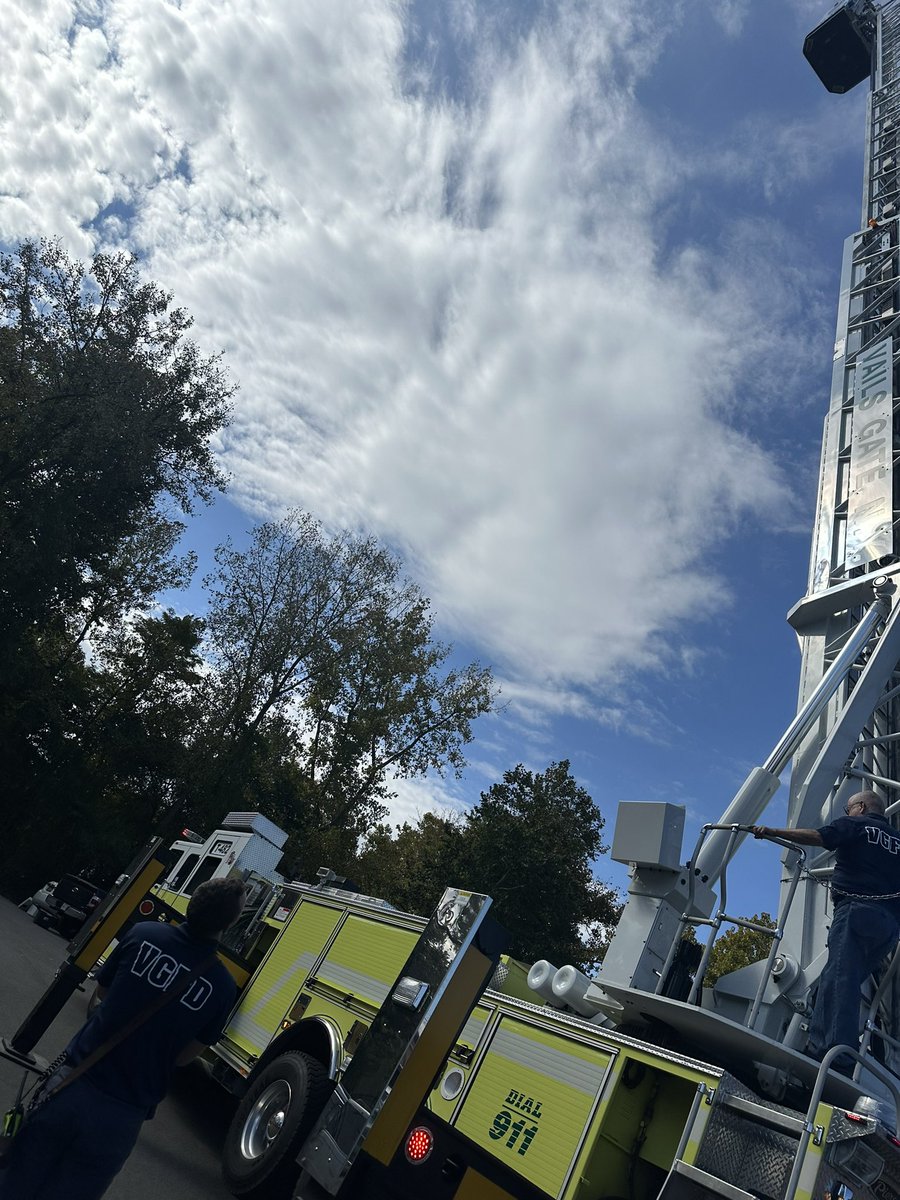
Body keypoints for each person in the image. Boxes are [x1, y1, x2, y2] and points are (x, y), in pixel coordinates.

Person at [0, 876, 245, 1200]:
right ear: (231, 922)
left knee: (17, 1178)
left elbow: (102, 992)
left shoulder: (144, 934)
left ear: (193, 902)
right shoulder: (222, 987)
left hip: (72, 1082)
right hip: (122, 1117)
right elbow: (186, 1056)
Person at [753, 790, 900, 1074]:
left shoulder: (856, 825)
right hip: (887, 928)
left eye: (848, 809)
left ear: (860, 806)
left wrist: (771, 830)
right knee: (847, 980)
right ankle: (828, 1043)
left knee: (839, 981)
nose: (847, 813)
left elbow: (818, 836)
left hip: (856, 912)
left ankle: (831, 1055)